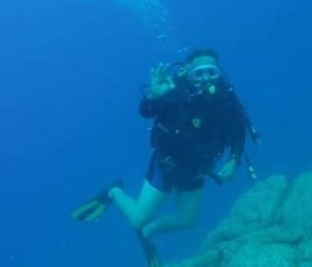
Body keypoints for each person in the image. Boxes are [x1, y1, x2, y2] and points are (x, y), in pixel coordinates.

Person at [71, 48, 261, 266]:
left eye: (211, 72)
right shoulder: (175, 90)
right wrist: (154, 96)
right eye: (199, 73)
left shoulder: (226, 98)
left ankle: (147, 233)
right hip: (167, 164)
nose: (206, 79)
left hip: (198, 168)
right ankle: (114, 192)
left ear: (219, 72)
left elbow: (239, 130)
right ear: (188, 72)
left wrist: (234, 160)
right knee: (138, 218)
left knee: (186, 220)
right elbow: (146, 111)